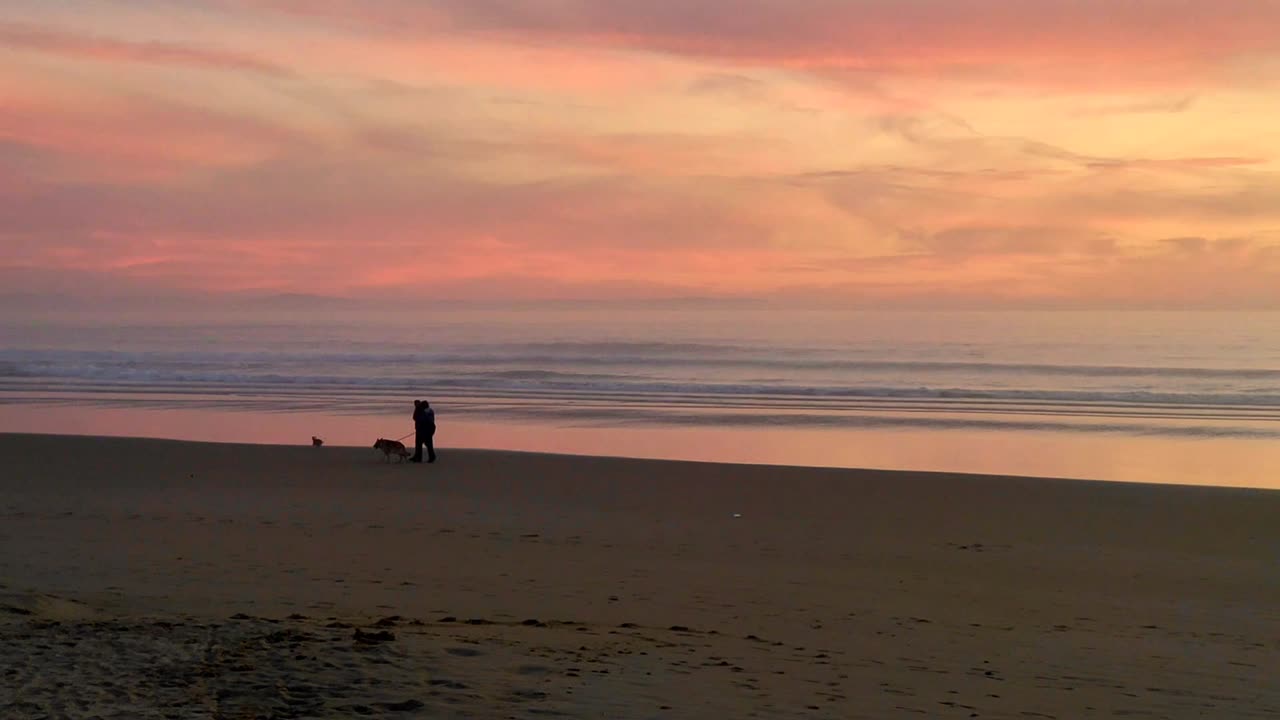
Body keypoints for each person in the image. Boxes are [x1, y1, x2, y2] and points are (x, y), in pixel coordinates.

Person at [411, 399, 437, 463]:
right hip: (427, 429)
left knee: (422, 444)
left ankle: (424, 457)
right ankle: (419, 457)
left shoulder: (424, 411)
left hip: (424, 430)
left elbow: (417, 419)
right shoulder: (429, 411)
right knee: (425, 444)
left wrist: (417, 408)